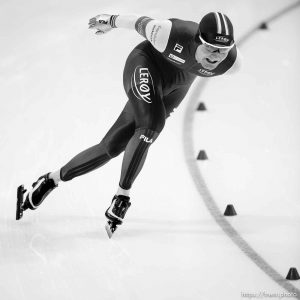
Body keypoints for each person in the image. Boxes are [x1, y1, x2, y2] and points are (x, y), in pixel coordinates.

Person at [16, 12, 241, 233]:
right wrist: (110, 21)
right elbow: (138, 22)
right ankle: (122, 196)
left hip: (177, 86)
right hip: (145, 65)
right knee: (152, 125)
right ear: (197, 40)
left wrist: (220, 55)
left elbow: (221, 57)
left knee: (111, 147)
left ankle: (50, 180)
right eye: (210, 48)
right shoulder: (170, 33)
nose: (214, 56)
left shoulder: (231, 64)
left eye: (222, 51)